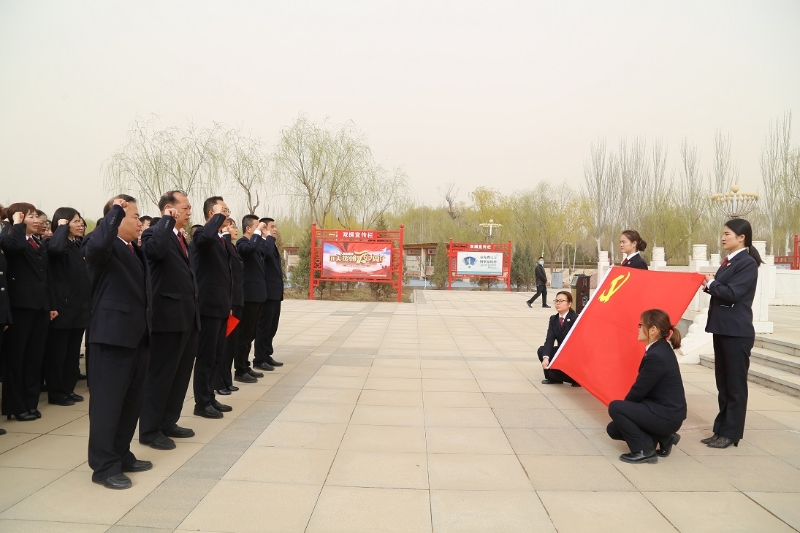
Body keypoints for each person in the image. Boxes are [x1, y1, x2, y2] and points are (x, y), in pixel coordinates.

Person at [84, 195, 153, 489]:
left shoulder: (133, 249)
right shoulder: (102, 243)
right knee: (108, 405)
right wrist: (115, 210)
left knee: (130, 402)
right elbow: (98, 246)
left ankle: (121, 453)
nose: (139, 222)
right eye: (134, 216)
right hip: (111, 337)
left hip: (136, 336)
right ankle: (104, 466)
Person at [138, 191, 200, 451]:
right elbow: (154, 251)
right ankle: (150, 430)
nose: (189, 212)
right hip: (167, 318)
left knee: (180, 375)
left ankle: (168, 421)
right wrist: (165, 220)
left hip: (187, 316)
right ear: (169, 208)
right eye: (184, 207)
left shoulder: (181, 237)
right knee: (161, 376)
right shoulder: (154, 233)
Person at [700, 218, 761, 449]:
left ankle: (731, 433)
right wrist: (710, 286)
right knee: (723, 384)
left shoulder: (746, 263)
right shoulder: (728, 262)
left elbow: (733, 293)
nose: (723, 237)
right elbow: (723, 291)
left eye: (727, 234)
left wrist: (712, 284)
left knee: (735, 386)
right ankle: (720, 430)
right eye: (723, 233)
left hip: (737, 332)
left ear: (741, 237)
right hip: (723, 329)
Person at [606, 309, 686, 464]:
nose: (638, 328)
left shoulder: (657, 355)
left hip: (668, 415)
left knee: (615, 408)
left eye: (640, 325)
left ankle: (644, 450)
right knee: (614, 429)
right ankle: (665, 437)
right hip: (663, 410)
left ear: (653, 330)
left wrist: (623, 411)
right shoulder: (660, 348)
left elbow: (639, 390)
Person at [0, 203, 53, 422]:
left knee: (34, 358)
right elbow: (15, 248)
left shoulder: (37, 242)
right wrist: (17, 224)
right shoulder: (11, 239)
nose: (36, 220)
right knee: (17, 358)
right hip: (20, 307)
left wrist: (50, 305)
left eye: (36, 216)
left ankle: (31, 402)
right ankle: (15, 405)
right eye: (30, 216)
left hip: (39, 306)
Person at [189, 196, 233, 419]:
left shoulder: (219, 238)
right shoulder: (201, 234)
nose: (227, 212)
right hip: (208, 308)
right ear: (210, 213)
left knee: (217, 356)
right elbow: (204, 237)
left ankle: (210, 396)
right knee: (206, 357)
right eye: (222, 209)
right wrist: (217, 217)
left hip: (221, 306)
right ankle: (202, 402)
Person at [44, 208, 90, 406]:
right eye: (75, 221)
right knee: (58, 354)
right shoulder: (54, 244)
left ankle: (68, 389)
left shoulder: (76, 246)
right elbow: (55, 249)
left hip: (78, 308)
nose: (80, 225)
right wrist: (61, 228)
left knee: (72, 353)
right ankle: (56, 392)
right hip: (62, 308)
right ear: (62, 223)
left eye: (81, 221)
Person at [233, 215, 268, 383]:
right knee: (244, 334)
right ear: (248, 229)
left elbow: (265, 251)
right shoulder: (242, 243)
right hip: (248, 296)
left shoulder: (255, 244)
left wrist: (263, 236)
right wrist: (258, 233)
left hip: (257, 295)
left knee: (251, 334)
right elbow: (249, 249)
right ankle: (240, 369)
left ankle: (246, 365)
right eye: (257, 226)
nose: (260, 230)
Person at [214, 217, 243, 396]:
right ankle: (219, 382)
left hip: (236, 299)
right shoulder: (223, 245)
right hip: (228, 301)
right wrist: (224, 237)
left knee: (231, 344)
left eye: (234, 226)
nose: (235, 229)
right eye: (231, 226)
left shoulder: (233, 247)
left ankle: (227, 379)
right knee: (223, 346)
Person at [253, 217, 284, 371]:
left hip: (275, 293)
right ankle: (259, 359)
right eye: (272, 226)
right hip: (266, 294)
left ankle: (267, 354)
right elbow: (267, 255)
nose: (275, 229)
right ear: (264, 228)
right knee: (263, 327)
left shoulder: (270, 243)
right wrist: (268, 238)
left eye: (275, 226)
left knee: (272, 327)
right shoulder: (261, 244)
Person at [538, 291, 579, 386]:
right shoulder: (554, 319)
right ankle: (553, 378)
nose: (558, 303)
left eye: (561, 301)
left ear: (569, 304)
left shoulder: (575, 318)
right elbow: (549, 340)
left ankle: (574, 378)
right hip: (561, 350)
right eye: (556, 301)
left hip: (573, 352)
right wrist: (546, 357)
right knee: (542, 350)